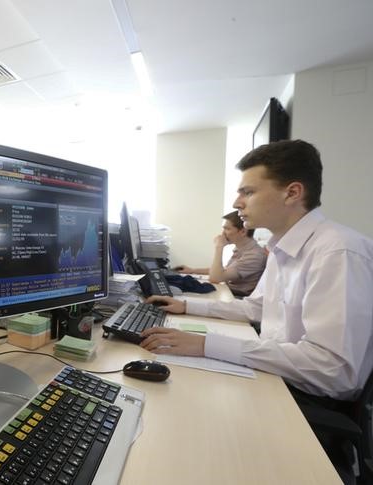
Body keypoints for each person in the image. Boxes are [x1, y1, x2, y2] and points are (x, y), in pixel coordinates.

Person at [140, 140, 373, 483]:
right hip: (282, 375)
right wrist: (186, 305)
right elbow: (256, 307)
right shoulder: (282, 247)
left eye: (247, 192)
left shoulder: (336, 252)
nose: (237, 203)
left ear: (292, 192)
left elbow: (333, 368)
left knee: (183, 418)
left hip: (310, 399)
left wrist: (205, 345)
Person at [174, 211, 266, 297]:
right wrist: (192, 270)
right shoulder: (242, 249)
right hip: (229, 293)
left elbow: (216, 278)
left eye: (227, 229)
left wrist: (219, 247)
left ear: (242, 232)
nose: (223, 233)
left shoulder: (254, 255)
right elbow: (224, 271)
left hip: (237, 298)